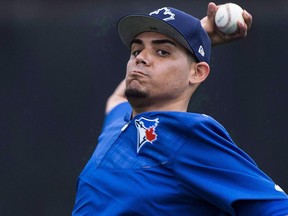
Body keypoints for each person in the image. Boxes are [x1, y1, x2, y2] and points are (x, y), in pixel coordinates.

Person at [72, 2, 288, 215]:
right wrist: (201, 34)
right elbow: (116, 99)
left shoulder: (187, 132)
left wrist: (197, 40)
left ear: (198, 73)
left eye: (162, 52)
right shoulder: (119, 122)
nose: (141, 58)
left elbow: (277, 207)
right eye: (136, 50)